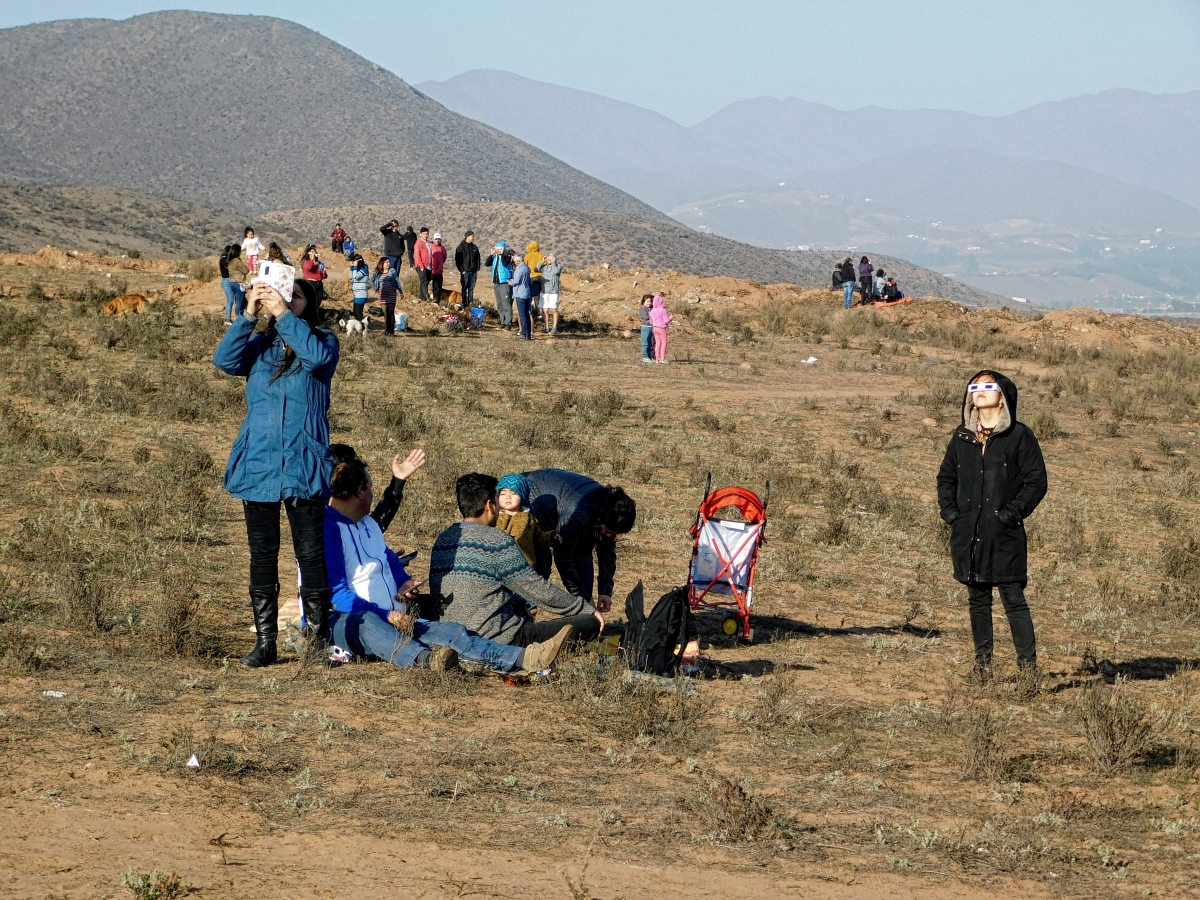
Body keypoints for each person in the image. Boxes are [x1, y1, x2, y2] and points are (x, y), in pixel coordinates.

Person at [324, 452, 572, 674]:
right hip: (347, 622)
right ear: (359, 492)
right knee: (367, 623)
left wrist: (402, 582)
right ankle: (428, 660)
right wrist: (384, 614)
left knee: (451, 631)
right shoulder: (327, 529)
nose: (373, 492)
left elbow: (388, 557)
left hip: (393, 616)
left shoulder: (368, 524)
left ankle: (526, 658)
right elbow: (337, 595)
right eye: (370, 486)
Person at [212, 264, 339, 668]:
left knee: (310, 554)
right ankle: (265, 644)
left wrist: (283, 315)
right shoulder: (261, 346)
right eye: (282, 295)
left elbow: (316, 359)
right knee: (262, 553)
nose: (284, 300)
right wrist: (249, 313)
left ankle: (317, 643)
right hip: (260, 461)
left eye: (295, 297)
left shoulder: (323, 341)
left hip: (303, 462)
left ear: (308, 304)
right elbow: (224, 360)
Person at [937, 372, 1047, 686]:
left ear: (1004, 395)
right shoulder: (962, 435)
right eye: (975, 387)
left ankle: (1028, 673)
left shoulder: (1020, 436)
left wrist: (1010, 514)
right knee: (978, 600)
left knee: (1013, 599)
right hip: (968, 533)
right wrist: (952, 513)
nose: (980, 392)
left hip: (1004, 534)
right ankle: (983, 670)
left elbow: (1037, 482)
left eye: (988, 387)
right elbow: (946, 478)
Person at [430, 474, 603, 646]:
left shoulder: (443, 539)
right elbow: (536, 589)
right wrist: (584, 608)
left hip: (447, 634)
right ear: (490, 505)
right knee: (589, 624)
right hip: (496, 636)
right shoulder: (497, 541)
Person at [525, 468, 636, 613]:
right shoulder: (577, 517)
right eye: (608, 531)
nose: (609, 536)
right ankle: (522, 612)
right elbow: (563, 557)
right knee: (541, 562)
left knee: (583, 552)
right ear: (600, 518)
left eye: (614, 533)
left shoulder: (608, 512)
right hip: (531, 504)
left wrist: (605, 590)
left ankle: (582, 620)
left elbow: (604, 551)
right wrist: (580, 597)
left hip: (561, 504)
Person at [495, 474, 553, 567]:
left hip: (524, 568)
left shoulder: (528, 517)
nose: (508, 497)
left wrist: (550, 537)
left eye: (514, 493)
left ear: (522, 496)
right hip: (498, 566)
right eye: (503, 494)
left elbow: (537, 536)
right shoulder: (494, 516)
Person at [485, 241, 515, 328]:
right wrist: (491, 255)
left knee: (506, 303)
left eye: (500, 248)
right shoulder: (495, 257)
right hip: (496, 283)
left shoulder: (507, 257)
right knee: (499, 304)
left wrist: (502, 254)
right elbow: (487, 264)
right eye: (496, 248)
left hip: (504, 283)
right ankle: (502, 321)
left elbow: (505, 263)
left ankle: (508, 322)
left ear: (504, 248)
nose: (498, 250)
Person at [371, 256, 402, 334]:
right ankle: (387, 328)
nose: (388, 264)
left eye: (389, 262)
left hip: (391, 294)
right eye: (386, 262)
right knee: (385, 312)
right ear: (382, 263)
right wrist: (376, 288)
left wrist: (400, 291)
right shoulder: (378, 272)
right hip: (383, 295)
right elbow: (372, 280)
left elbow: (397, 281)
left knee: (391, 312)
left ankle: (391, 330)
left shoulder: (392, 271)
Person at [220, 244, 248, 324]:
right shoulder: (229, 260)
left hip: (230, 281)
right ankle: (230, 318)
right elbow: (245, 270)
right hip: (230, 281)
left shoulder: (227, 260)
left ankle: (232, 318)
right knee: (232, 300)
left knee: (235, 299)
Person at [536, 253, 562, 334]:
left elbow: (555, 272)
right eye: (548, 258)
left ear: (554, 258)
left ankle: (554, 328)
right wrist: (542, 261)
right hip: (544, 291)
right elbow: (536, 269)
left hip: (553, 292)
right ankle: (546, 327)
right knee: (544, 310)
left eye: (551, 258)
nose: (549, 259)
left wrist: (553, 262)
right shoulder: (544, 267)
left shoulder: (558, 266)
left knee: (554, 309)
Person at [509, 253, 533, 340]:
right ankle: (528, 334)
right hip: (527, 293)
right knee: (526, 314)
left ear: (518, 261)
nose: (514, 264)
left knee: (522, 314)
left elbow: (517, 282)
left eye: (515, 262)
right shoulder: (527, 268)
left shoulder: (519, 269)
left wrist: (510, 282)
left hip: (520, 293)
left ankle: (524, 333)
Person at [454, 231, 480, 307]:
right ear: (467, 236)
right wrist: (462, 270)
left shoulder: (475, 247)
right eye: (472, 236)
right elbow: (458, 260)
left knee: (471, 288)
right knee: (464, 288)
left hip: (473, 271)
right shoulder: (461, 247)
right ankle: (464, 303)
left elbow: (478, 258)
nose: (473, 238)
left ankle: (470, 304)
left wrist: (477, 268)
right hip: (465, 272)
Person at [648, 294, 673, 363]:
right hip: (661, 328)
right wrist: (671, 318)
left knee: (657, 343)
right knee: (664, 343)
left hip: (655, 328)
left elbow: (651, 321)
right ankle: (662, 358)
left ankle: (657, 358)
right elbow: (666, 320)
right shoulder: (662, 310)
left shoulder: (652, 311)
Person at [525, 241, 545, 324]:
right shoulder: (542, 255)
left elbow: (525, 267)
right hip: (543, 277)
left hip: (533, 277)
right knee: (542, 296)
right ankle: (543, 314)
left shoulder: (527, 256)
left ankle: (537, 313)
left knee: (535, 297)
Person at [413, 227, 434, 302]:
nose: (425, 235)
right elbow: (417, 255)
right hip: (421, 265)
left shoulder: (428, 243)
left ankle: (421, 298)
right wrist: (420, 265)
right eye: (424, 234)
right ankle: (427, 297)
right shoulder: (418, 243)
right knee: (424, 281)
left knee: (425, 282)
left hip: (428, 266)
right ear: (420, 234)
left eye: (427, 234)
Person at [349, 254, 370, 321]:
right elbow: (351, 277)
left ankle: (362, 326)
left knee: (358, 313)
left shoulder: (364, 268)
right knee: (355, 313)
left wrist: (355, 267)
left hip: (361, 294)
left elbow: (356, 277)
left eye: (354, 261)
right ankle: (360, 325)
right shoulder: (356, 269)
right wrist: (351, 268)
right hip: (356, 294)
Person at [429, 233, 447, 304]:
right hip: (431, 270)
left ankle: (436, 301)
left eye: (439, 239)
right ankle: (424, 298)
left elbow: (444, 257)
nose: (437, 240)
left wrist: (440, 265)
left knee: (438, 287)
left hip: (439, 271)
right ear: (433, 239)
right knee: (425, 283)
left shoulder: (442, 248)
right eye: (436, 239)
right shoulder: (430, 246)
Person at [638, 293, 655, 362]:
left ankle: (650, 355)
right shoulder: (642, 308)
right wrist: (652, 313)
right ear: (643, 302)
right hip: (645, 327)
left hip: (652, 327)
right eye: (647, 301)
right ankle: (645, 356)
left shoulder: (651, 309)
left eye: (650, 301)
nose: (649, 303)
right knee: (645, 342)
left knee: (651, 342)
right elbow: (646, 317)